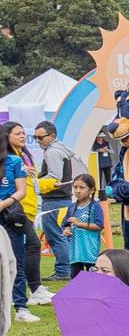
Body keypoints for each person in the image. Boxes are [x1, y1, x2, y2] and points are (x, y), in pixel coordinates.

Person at [0, 122, 44, 321]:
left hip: (9, 215)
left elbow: (21, 190)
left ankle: (20, 307)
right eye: (17, 133)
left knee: (16, 259)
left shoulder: (14, 162)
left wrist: (4, 203)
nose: (22, 136)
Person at [33, 120, 82, 281]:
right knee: (64, 235)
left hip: (55, 199)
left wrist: (34, 183)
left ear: (52, 135)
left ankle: (63, 271)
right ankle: (67, 269)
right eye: (35, 137)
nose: (38, 141)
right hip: (63, 200)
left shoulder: (52, 152)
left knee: (56, 236)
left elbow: (55, 177)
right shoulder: (62, 148)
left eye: (40, 138)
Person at [61, 173, 105, 277]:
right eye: (75, 187)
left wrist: (80, 224)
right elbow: (66, 223)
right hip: (75, 250)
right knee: (76, 278)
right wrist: (67, 229)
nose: (78, 190)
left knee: (93, 277)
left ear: (92, 190)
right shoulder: (71, 207)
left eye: (82, 187)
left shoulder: (95, 206)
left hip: (90, 250)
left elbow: (99, 226)